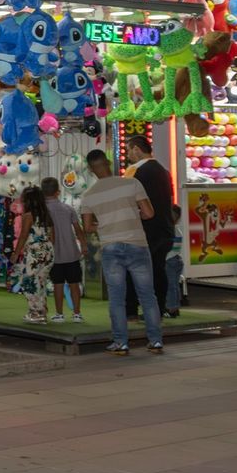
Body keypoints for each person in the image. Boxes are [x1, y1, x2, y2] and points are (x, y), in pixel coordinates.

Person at [80, 148, 162, 355]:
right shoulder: (131, 183)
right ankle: (155, 341)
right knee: (147, 296)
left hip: (110, 246)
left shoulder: (89, 195)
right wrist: (134, 216)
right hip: (137, 243)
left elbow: (88, 227)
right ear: (108, 162)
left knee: (117, 298)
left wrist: (105, 224)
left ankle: (121, 343)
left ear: (90, 169)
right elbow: (149, 213)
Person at [126, 136, 178, 319]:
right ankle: (159, 308)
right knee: (158, 269)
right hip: (165, 228)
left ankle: (131, 310)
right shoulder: (164, 171)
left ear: (137, 149)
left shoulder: (134, 170)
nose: (128, 154)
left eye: (128, 150)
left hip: (143, 229)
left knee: (132, 270)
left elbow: (127, 200)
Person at [42, 177, 85, 322]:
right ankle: (77, 314)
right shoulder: (68, 209)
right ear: (58, 192)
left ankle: (59, 314)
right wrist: (84, 245)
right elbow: (78, 230)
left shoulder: (42, 211)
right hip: (71, 252)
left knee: (57, 284)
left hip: (53, 254)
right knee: (74, 283)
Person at [12, 186, 54, 323]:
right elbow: (53, 235)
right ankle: (41, 311)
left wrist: (16, 253)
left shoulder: (28, 216)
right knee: (41, 281)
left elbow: (23, 236)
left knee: (29, 281)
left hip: (35, 252)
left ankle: (35, 312)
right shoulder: (46, 215)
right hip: (48, 251)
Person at [166, 204, 185, 314]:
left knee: (170, 285)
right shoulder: (177, 230)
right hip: (176, 259)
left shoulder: (171, 230)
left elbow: (168, 248)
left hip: (170, 260)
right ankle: (175, 306)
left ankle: (171, 308)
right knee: (174, 285)